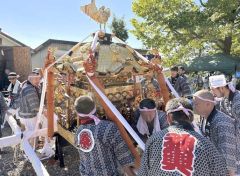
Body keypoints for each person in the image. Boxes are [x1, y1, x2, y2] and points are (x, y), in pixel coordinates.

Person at [138, 97, 228, 176]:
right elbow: (221, 172)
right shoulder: (205, 144)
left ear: (168, 117)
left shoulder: (153, 140)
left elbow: (143, 173)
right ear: (191, 118)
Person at [74, 95, 136, 176]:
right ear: (95, 108)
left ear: (78, 114)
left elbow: (83, 160)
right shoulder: (108, 127)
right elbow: (122, 155)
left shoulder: (78, 132)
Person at [193, 90, 238, 175]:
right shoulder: (204, 117)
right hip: (216, 166)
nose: (194, 106)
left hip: (229, 171)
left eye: (197, 104)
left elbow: (228, 150)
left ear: (208, 104)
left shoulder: (222, 121)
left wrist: (230, 173)